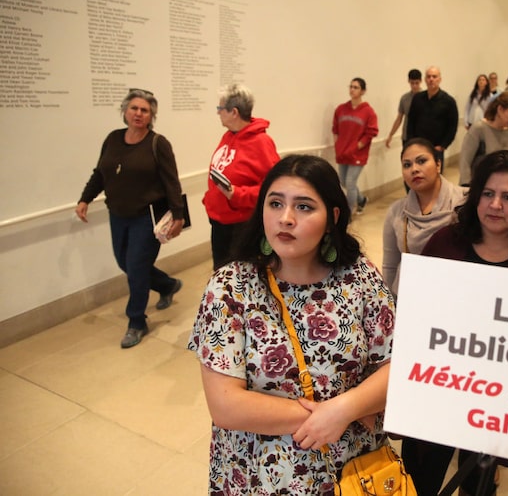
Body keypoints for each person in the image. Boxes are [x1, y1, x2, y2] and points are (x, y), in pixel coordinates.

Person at [188, 155, 395, 494]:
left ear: (333, 218)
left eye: (304, 207)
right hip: (259, 473)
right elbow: (226, 404)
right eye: (275, 203)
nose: (285, 219)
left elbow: (395, 366)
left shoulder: (359, 277)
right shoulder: (231, 287)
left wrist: (345, 407)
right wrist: (335, 416)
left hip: (352, 471)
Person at [401, 150, 508, 496]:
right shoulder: (446, 243)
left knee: (478, 485)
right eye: (487, 194)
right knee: (418, 481)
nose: (495, 205)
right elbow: (416, 317)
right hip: (438, 389)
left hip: (498, 400)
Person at [75, 88, 184, 349]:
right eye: (134, 108)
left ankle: (136, 321)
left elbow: (171, 181)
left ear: (151, 116)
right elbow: (100, 173)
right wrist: (85, 199)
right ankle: (167, 284)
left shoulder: (158, 143)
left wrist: (178, 215)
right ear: (124, 111)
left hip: (146, 218)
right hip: (118, 215)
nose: (138, 113)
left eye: (144, 110)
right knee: (125, 262)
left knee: (135, 269)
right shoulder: (112, 139)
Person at [204, 83, 280, 269]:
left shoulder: (261, 143)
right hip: (220, 222)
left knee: (240, 280)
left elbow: (274, 188)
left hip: (241, 226)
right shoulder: (228, 136)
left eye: (220, 108)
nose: (218, 112)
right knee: (221, 276)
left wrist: (237, 195)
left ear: (234, 112)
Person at [382, 137, 466, 295]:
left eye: (421, 161)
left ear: (438, 164)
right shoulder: (396, 211)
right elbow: (390, 265)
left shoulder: (463, 203)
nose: (414, 169)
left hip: (453, 293)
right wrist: (389, 305)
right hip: (410, 296)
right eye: (407, 165)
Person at [458, 90, 508, 185]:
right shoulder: (479, 129)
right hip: (478, 185)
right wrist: (467, 186)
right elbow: (465, 162)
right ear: (500, 109)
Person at [333, 77, 379, 214]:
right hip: (342, 152)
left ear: (363, 91)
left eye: (356, 87)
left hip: (358, 154)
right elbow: (335, 129)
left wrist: (358, 145)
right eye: (351, 87)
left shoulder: (368, 112)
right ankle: (361, 200)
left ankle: (349, 211)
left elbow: (371, 132)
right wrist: (338, 145)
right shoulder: (341, 109)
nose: (352, 90)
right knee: (343, 182)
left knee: (350, 182)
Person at [406, 66, 459, 168]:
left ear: (440, 79)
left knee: (435, 179)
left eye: (434, 76)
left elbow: (452, 126)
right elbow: (411, 122)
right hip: (418, 147)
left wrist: (443, 145)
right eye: (429, 76)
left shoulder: (448, 101)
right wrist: (411, 142)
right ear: (425, 79)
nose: (431, 79)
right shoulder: (417, 98)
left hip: (436, 148)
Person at [384, 69, 422, 148]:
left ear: (421, 81)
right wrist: (391, 135)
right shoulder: (405, 98)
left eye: (417, 83)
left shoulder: (426, 97)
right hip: (407, 137)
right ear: (409, 81)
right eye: (412, 83)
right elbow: (399, 118)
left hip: (422, 137)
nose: (414, 86)